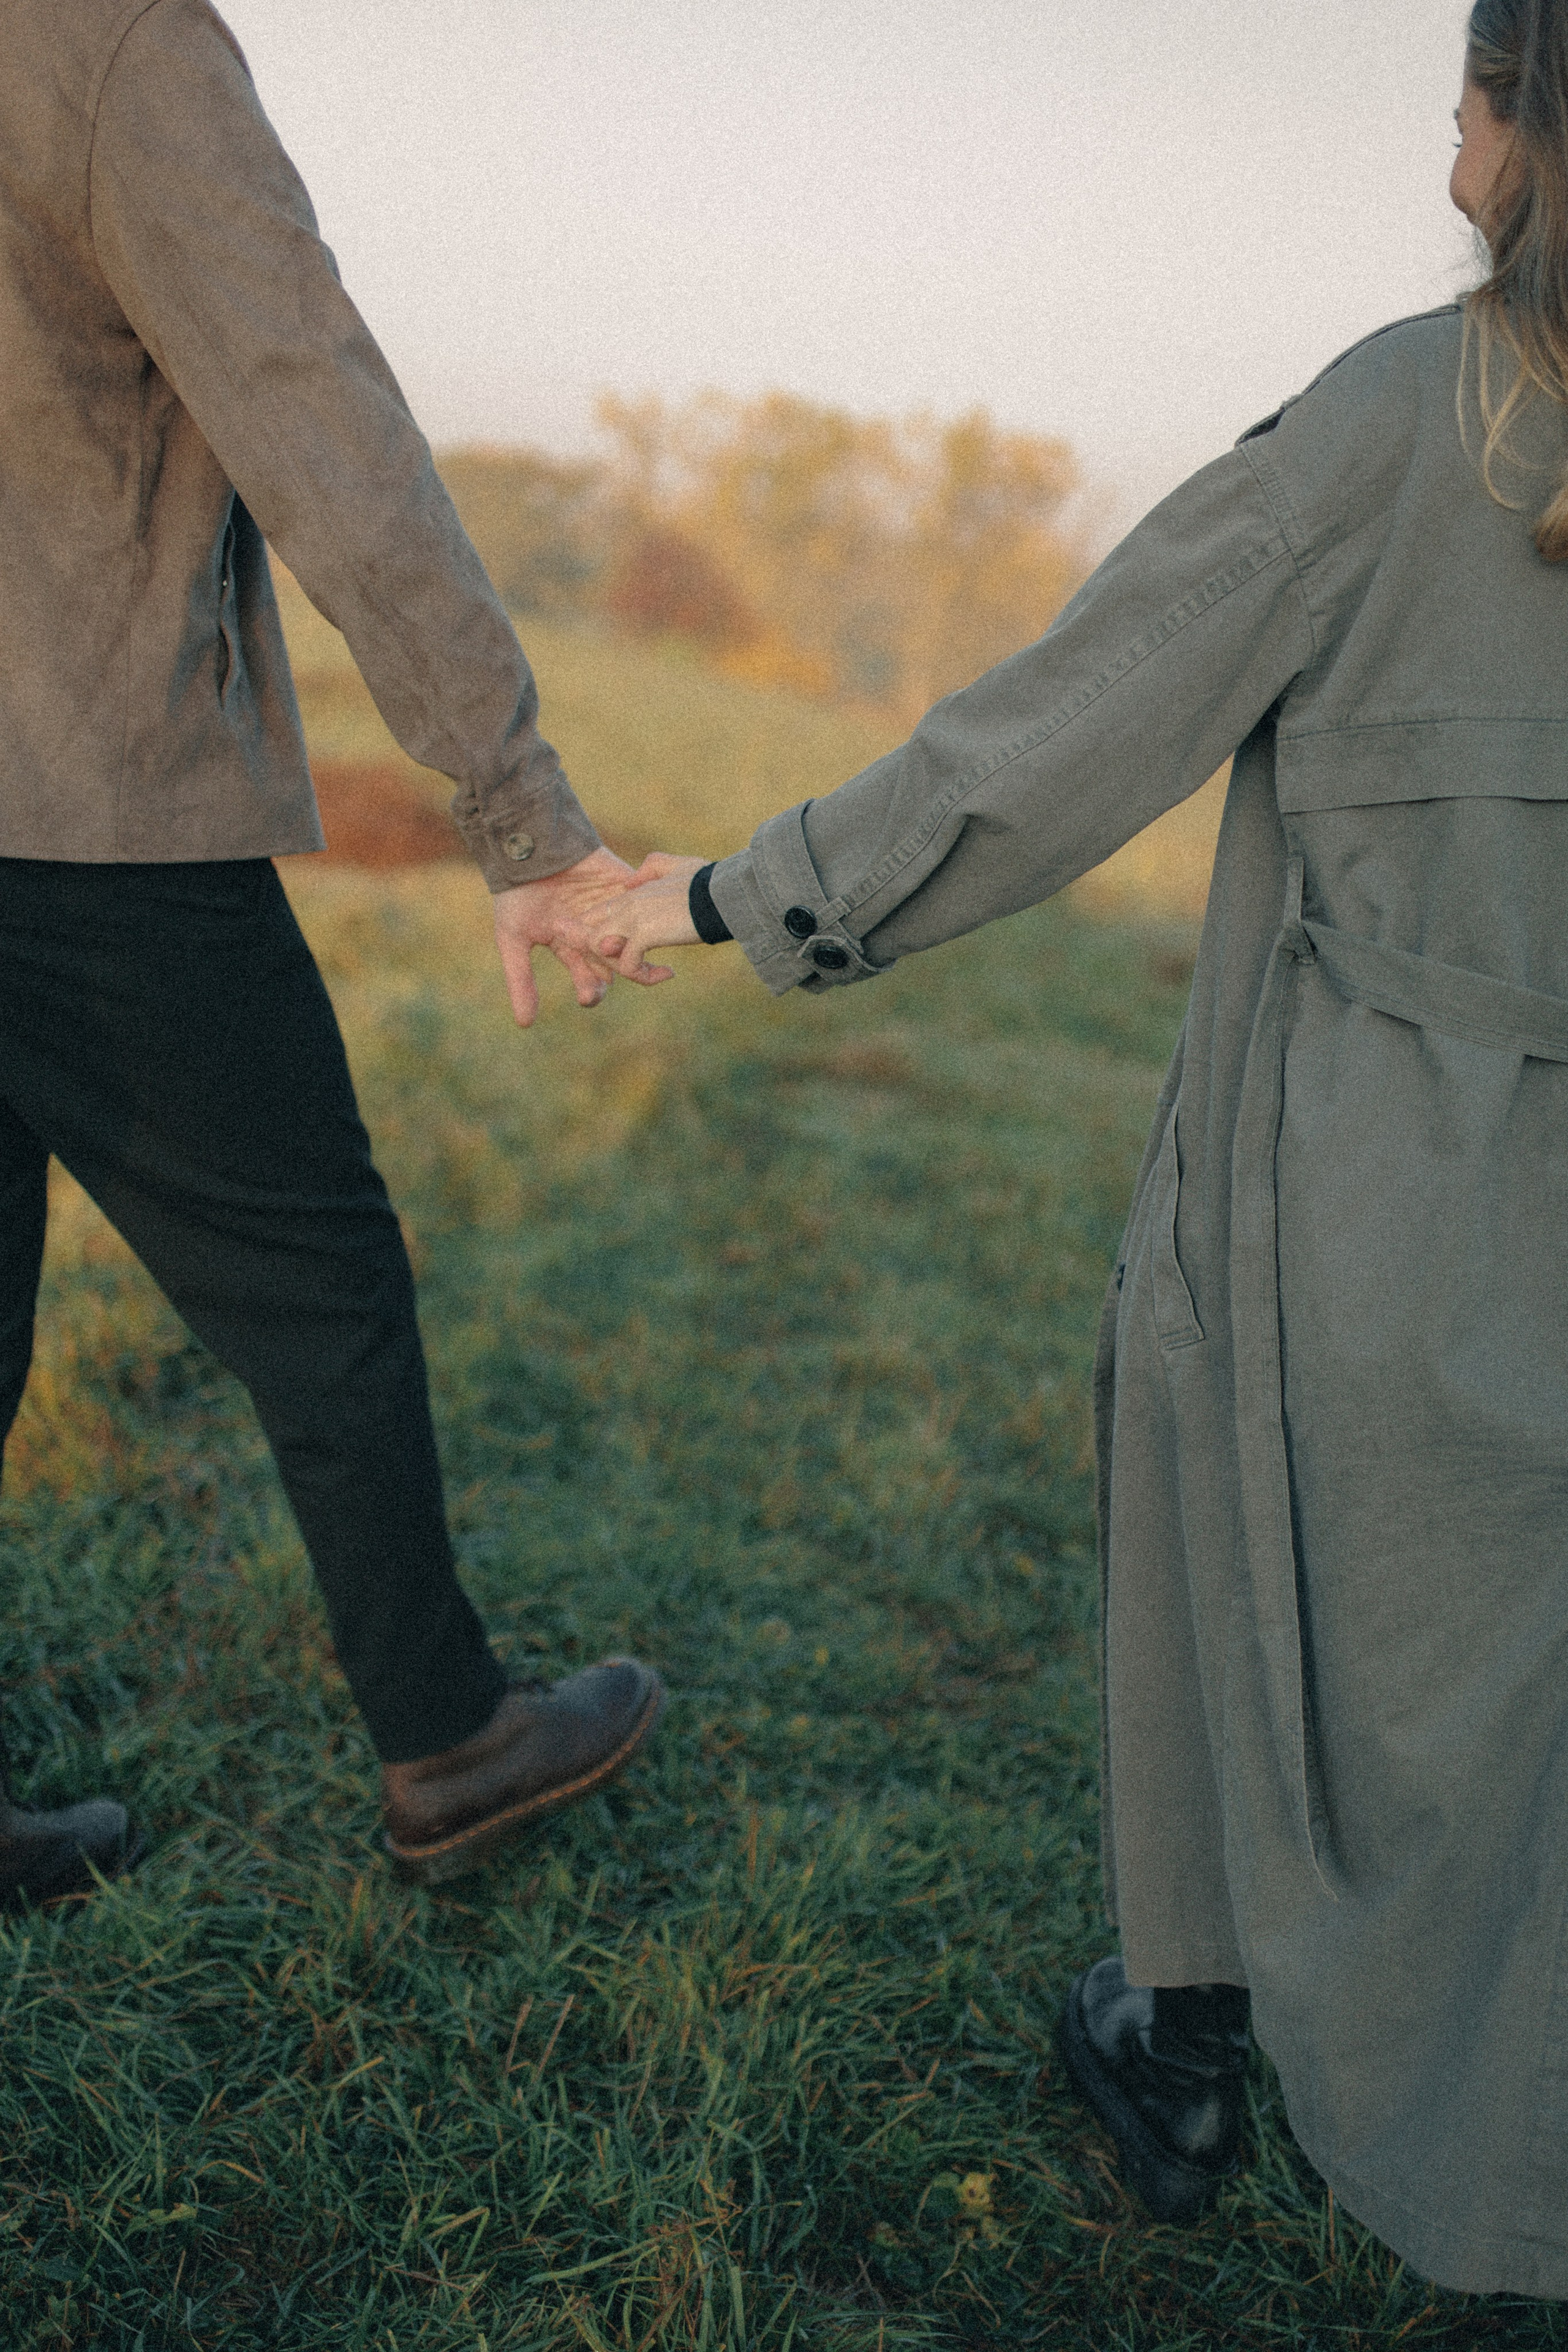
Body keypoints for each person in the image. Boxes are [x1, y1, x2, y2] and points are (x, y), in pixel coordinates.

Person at [588, 0, 1568, 2302]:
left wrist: (732, 890)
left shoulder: (1393, 431)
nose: (1443, 139)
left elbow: (1051, 738)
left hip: (1379, 1177)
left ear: (1523, 127)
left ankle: (1204, 2029)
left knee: (1255, 1526)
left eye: (1468, 86)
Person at [0, 0, 671, 1906]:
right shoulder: (114, 43)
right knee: (320, 1285)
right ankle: (451, 1740)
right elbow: (324, 426)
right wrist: (518, 801)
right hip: (85, 811)